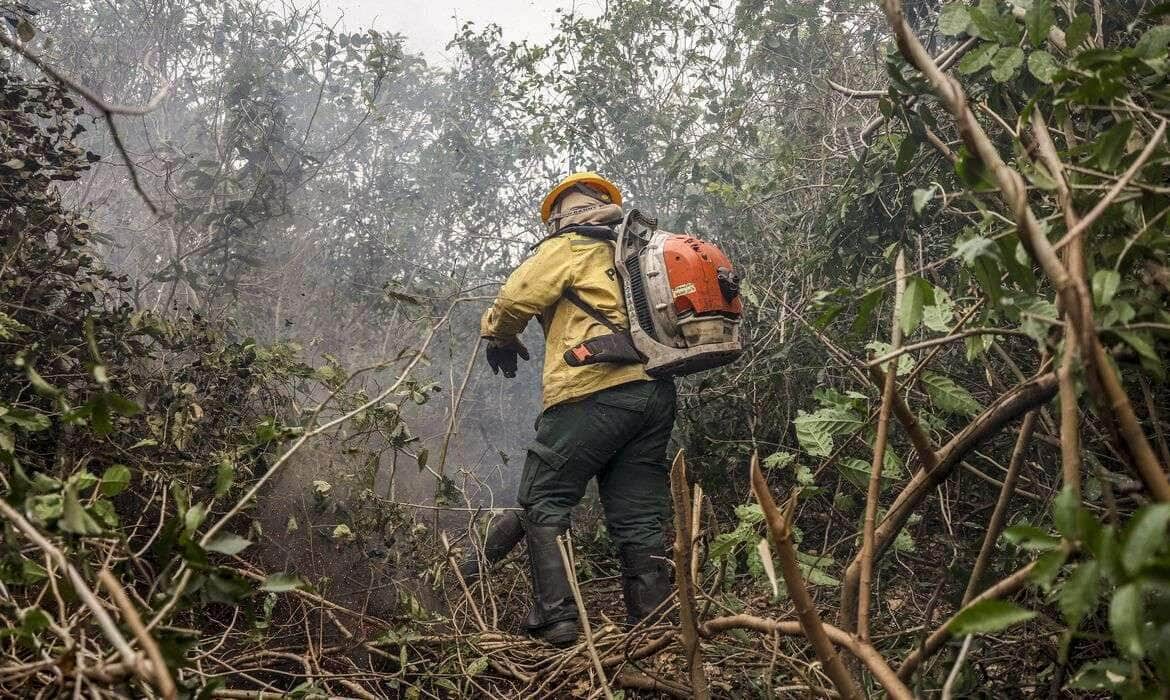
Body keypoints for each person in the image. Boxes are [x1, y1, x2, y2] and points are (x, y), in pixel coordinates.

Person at [473, 172, 677, 646]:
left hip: (592, 387)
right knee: (638, 516)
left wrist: (498, 335)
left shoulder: (568, 246)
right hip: (653, 393)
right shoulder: (635, 251)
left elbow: (514, 299)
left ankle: (557, 619)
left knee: (544, 499)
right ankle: (654, 627)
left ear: (560, 216)